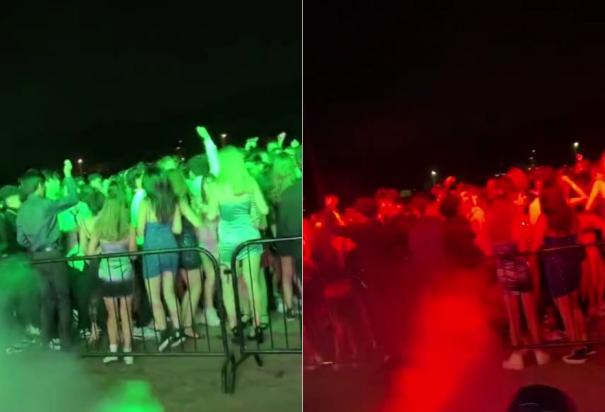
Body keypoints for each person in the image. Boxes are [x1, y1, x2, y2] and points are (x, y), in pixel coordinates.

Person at [483, 177, 549, 370]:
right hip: (521, 261)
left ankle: (518, 354)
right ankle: (539, 351)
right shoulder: (516, 210)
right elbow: (524, 237)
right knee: (529, 309)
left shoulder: (492, 213)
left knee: (513, 313)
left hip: (503, 264)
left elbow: (486, 246)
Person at [206, 146, 269, 342]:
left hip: (229, 239)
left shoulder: (217, 185)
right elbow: (265, 209)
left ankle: (234, 326)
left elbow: (211, 214)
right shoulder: (249, 181)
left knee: (228, 285)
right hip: (250, 235)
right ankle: (257, 327)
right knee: (253, 283)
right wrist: (252, 212)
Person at [16, 160, 78, 351]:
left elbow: (20, 239)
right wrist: (68, 174)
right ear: (39, 186)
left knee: (46, 300)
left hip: (36, 258)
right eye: (42, 185)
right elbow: (73, 198)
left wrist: (34, 246)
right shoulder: (46, 205)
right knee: (63, 298)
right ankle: (66, 342)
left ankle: (45, 341)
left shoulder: (22, 210)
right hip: (54, 256)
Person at [532, 170, 590, 364]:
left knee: (565, 309)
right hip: (573, 263)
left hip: (556, 266)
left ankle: (577, 348)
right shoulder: (571, 215)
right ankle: (584, 341)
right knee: (575, 306)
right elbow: (579, 237)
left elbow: (535, 244)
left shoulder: (545, 219)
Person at [88, 182, 136, 364]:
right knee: (126, 313)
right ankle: (128, 352)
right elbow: (133, 254)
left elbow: (90, 253)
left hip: (107, 273)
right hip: (125, 272)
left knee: (111, 314)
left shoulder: (99, 226)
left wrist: (102, 250)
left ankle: (113, 349)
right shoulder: (128, 227)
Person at [138, 166, 185, 351]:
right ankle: (179, 330)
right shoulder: (173, 201)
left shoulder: (145, 203)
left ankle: (164, 333)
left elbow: (140, 232)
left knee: (154, 296)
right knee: (169, 293)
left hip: (152, 252)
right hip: (171, 249)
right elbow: (177, 230)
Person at [167, 169, 204, 339]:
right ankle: (187, 325)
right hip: (187, 244)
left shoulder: (164, 201)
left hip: (173, 246)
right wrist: (197, 213)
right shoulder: (180, 200)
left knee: (187, 287)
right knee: (195, 286)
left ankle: (182, 323)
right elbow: (197, 221)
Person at [274, 153, 303, 320]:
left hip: (283, 234)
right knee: (297, 273)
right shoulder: (293, 187)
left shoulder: (279, 189)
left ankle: (290, 310)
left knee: (286, 273)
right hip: (294, 235)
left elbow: (279, 218)